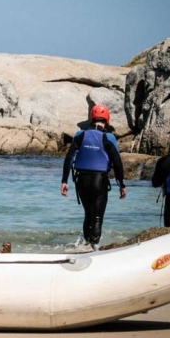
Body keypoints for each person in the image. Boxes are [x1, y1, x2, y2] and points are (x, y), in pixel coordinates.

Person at [61, 104, 128, 250]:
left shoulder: (80, 135)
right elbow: (117, 162)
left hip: (82, 181)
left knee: (88, 215)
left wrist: (64, 181)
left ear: (92, 118)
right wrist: (121, 184)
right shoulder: (108, 137)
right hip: (99, 180)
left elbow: (69, 158)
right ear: (107, 120)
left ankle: (84, 246)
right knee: (97, 218)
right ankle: (94, 248)